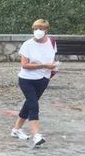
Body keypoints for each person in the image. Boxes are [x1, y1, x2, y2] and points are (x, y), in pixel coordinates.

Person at [11, 19, 58, 148]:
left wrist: (53, 67)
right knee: (33, 105)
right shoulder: (27, 44)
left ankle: (16, 129)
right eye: (35, 29)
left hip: (43, 79)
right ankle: (36, 135)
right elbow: (24, 65)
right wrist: (43, 65)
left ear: (46, 30)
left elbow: (52, 59)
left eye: (41, 29)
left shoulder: (52, 43)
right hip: (27, 79)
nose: (38, 31)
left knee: (29, 104)